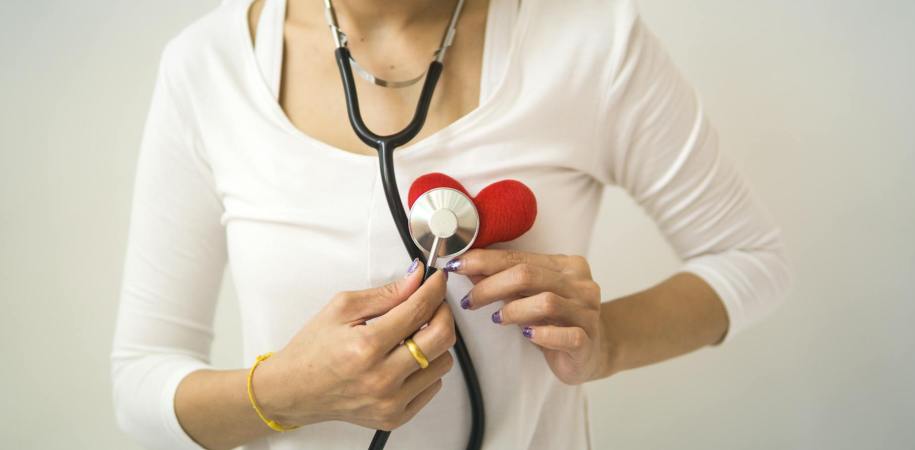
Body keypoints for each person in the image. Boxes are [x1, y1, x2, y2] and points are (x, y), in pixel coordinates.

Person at [110, 0, 792, 449]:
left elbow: (750, 259)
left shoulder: (591, 43)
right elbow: (139, 384)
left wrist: (605, 341)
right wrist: (288, 393)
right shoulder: (209, 66)